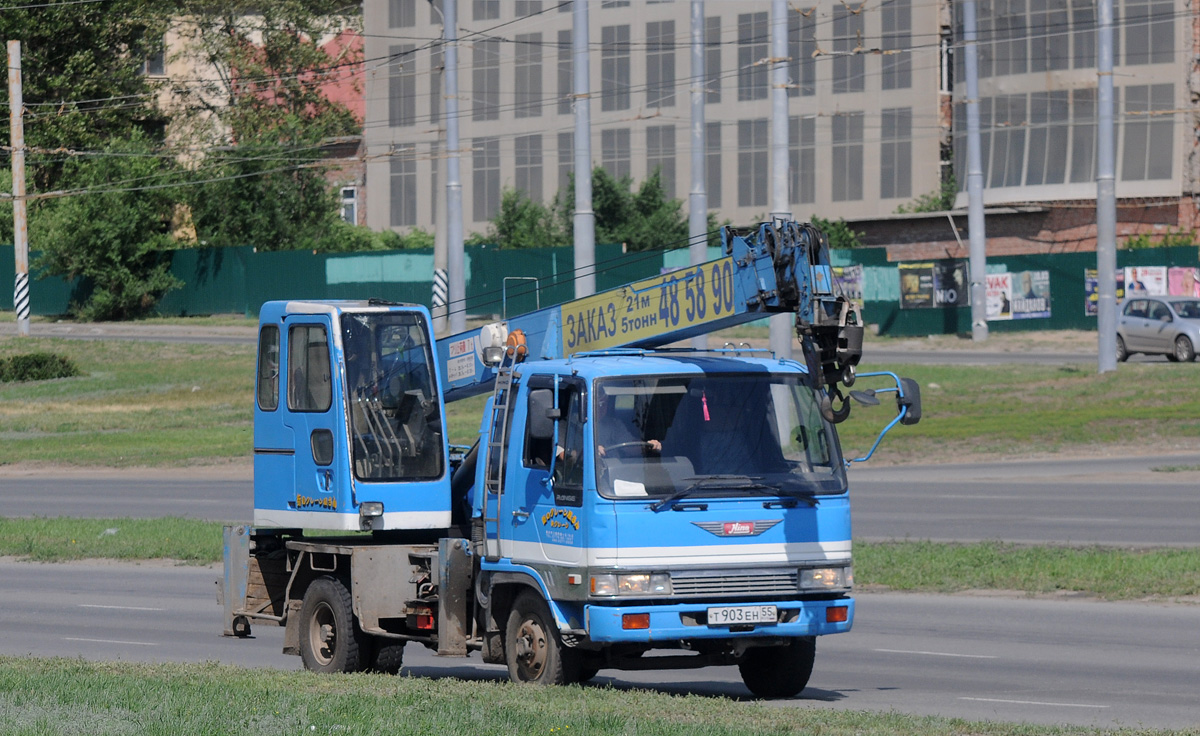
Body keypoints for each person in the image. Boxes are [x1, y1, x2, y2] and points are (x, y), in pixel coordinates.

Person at [594, 389, 660, 458]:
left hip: (614, 466)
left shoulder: (614, 424)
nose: (601, 407)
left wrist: (648, 446)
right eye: (598, 404)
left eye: (604, 404)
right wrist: (592, 450)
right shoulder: (582, 426)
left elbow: (629, 447)